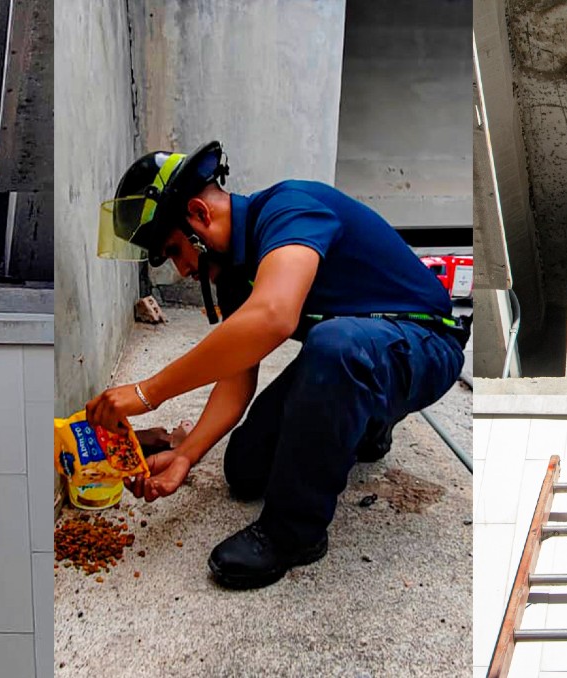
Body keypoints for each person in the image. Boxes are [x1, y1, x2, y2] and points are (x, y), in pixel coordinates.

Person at [88, 141, 467, 589]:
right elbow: (236, 373)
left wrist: (148, 392)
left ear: (199, 215)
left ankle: (293, 534)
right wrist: (187, 455)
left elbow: (273, 316)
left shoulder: (290, 208)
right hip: (358, 354)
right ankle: (365, 424)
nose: (181, 269)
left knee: (333, 345)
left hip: (425, 344)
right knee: (245, 470)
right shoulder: (233, 274)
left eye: (173, 250)